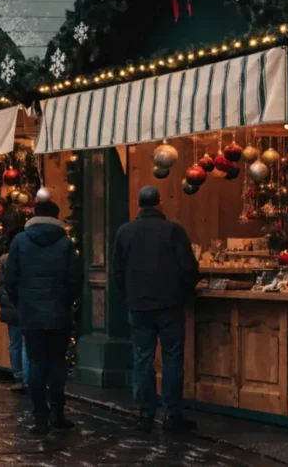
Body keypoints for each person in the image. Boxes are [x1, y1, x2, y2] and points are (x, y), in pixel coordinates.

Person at [112, 185, 199, 434]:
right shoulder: (173, 231)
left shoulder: (125, 232)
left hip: (139, 305)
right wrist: (182, 292)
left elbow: (117, 270)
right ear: (159, 203)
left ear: (139, 204)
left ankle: (146, 414)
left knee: (142, 358)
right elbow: (188, 268)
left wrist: (130, 294)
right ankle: (172, 414)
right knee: (172, 358)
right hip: (169, 305)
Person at [4, 199, 82, 435]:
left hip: (31, 313)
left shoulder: (20, 241)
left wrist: (23, 303)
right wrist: (65, 302)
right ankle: (57, 412)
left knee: (36, 363)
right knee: (58, 363)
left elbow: (10, 279)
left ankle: (40, 417)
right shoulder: (66, 244)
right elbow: (74, 280)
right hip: (59, 313)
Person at [0, 226, 28, 394]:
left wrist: (1, 300)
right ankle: (29, 377)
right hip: (27, 304)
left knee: (15, 342)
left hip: (10, 304)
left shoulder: (4, 259)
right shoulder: (29, 255)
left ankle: (18, 377)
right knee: (27, 342)